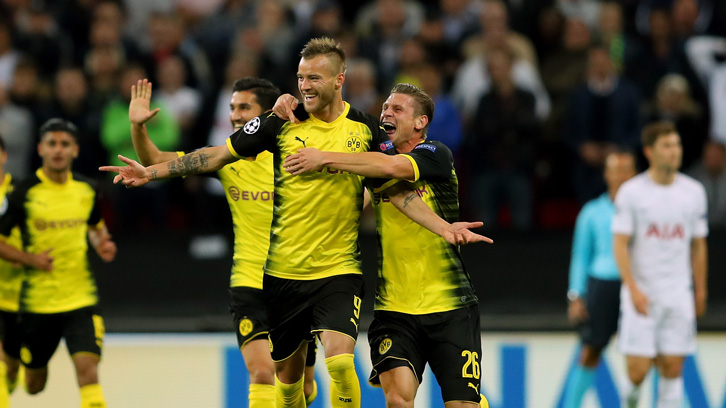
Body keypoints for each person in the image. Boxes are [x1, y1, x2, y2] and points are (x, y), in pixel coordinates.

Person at [101, 37, 485, 408]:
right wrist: (151, 173)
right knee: (288, 382)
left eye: (314, 78)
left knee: (338, 360)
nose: (304, 85)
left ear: (339, 80)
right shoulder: (279, 123)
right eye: (300, 78)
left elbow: (394, 188)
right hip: (282, 273)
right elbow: (215, 155)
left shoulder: (367, 131)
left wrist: (441, 226)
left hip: (339, 269)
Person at [281, 83, 492, 408]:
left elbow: (394, 169)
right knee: (397, 399)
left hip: (451, 307)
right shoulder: (374, 167)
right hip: (394, 310)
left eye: (397, 110)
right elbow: (356, 195)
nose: (385, 114)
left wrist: (323, 158)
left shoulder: (435, 155)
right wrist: (289, 105)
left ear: (420, 122)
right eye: (384, 109)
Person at [127, 77, 318, 407]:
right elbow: (154, 159)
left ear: (267, 114)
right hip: (248, 283)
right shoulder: (226, 160)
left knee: (302, 387)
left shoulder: (299, 159)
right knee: (261, 372)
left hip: (297, 282)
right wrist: (137, 127)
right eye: (232, 108)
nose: (235, 115)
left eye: (245, 107)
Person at [0, 119, 116, 408]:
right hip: (37, 305)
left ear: (75, 150)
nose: (58, 150)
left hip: (80, 300)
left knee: (89, 372)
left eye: (65, 144)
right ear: (40, 148)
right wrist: (31, 259)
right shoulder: (23, 193)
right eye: (52, 144)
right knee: (34, 385)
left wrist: (103, 243)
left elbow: (94, 225)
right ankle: (18, 376)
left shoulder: (86, 189)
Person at [613, 121, 708, 408]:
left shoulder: (693, 192)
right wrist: (632, 289)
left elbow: (698, 245)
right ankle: (630, 398)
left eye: (677, 145)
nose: (674, 151)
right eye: (667, 146)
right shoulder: (632, 192)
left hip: (678, 293)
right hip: (642, 294)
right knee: (638, 371)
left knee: (673, 368)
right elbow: (620, 244)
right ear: (649, 152)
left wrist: (699, 291)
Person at [563, 150, 636, 408]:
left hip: (636, 287)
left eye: (626, 170)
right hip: (602, 286)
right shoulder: (592, 212)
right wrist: (576, 295)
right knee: (590, 350)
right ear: (607, 174)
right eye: (615, 169)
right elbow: (580, 256)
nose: (621, 176)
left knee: (644, 353)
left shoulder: (644, 210)